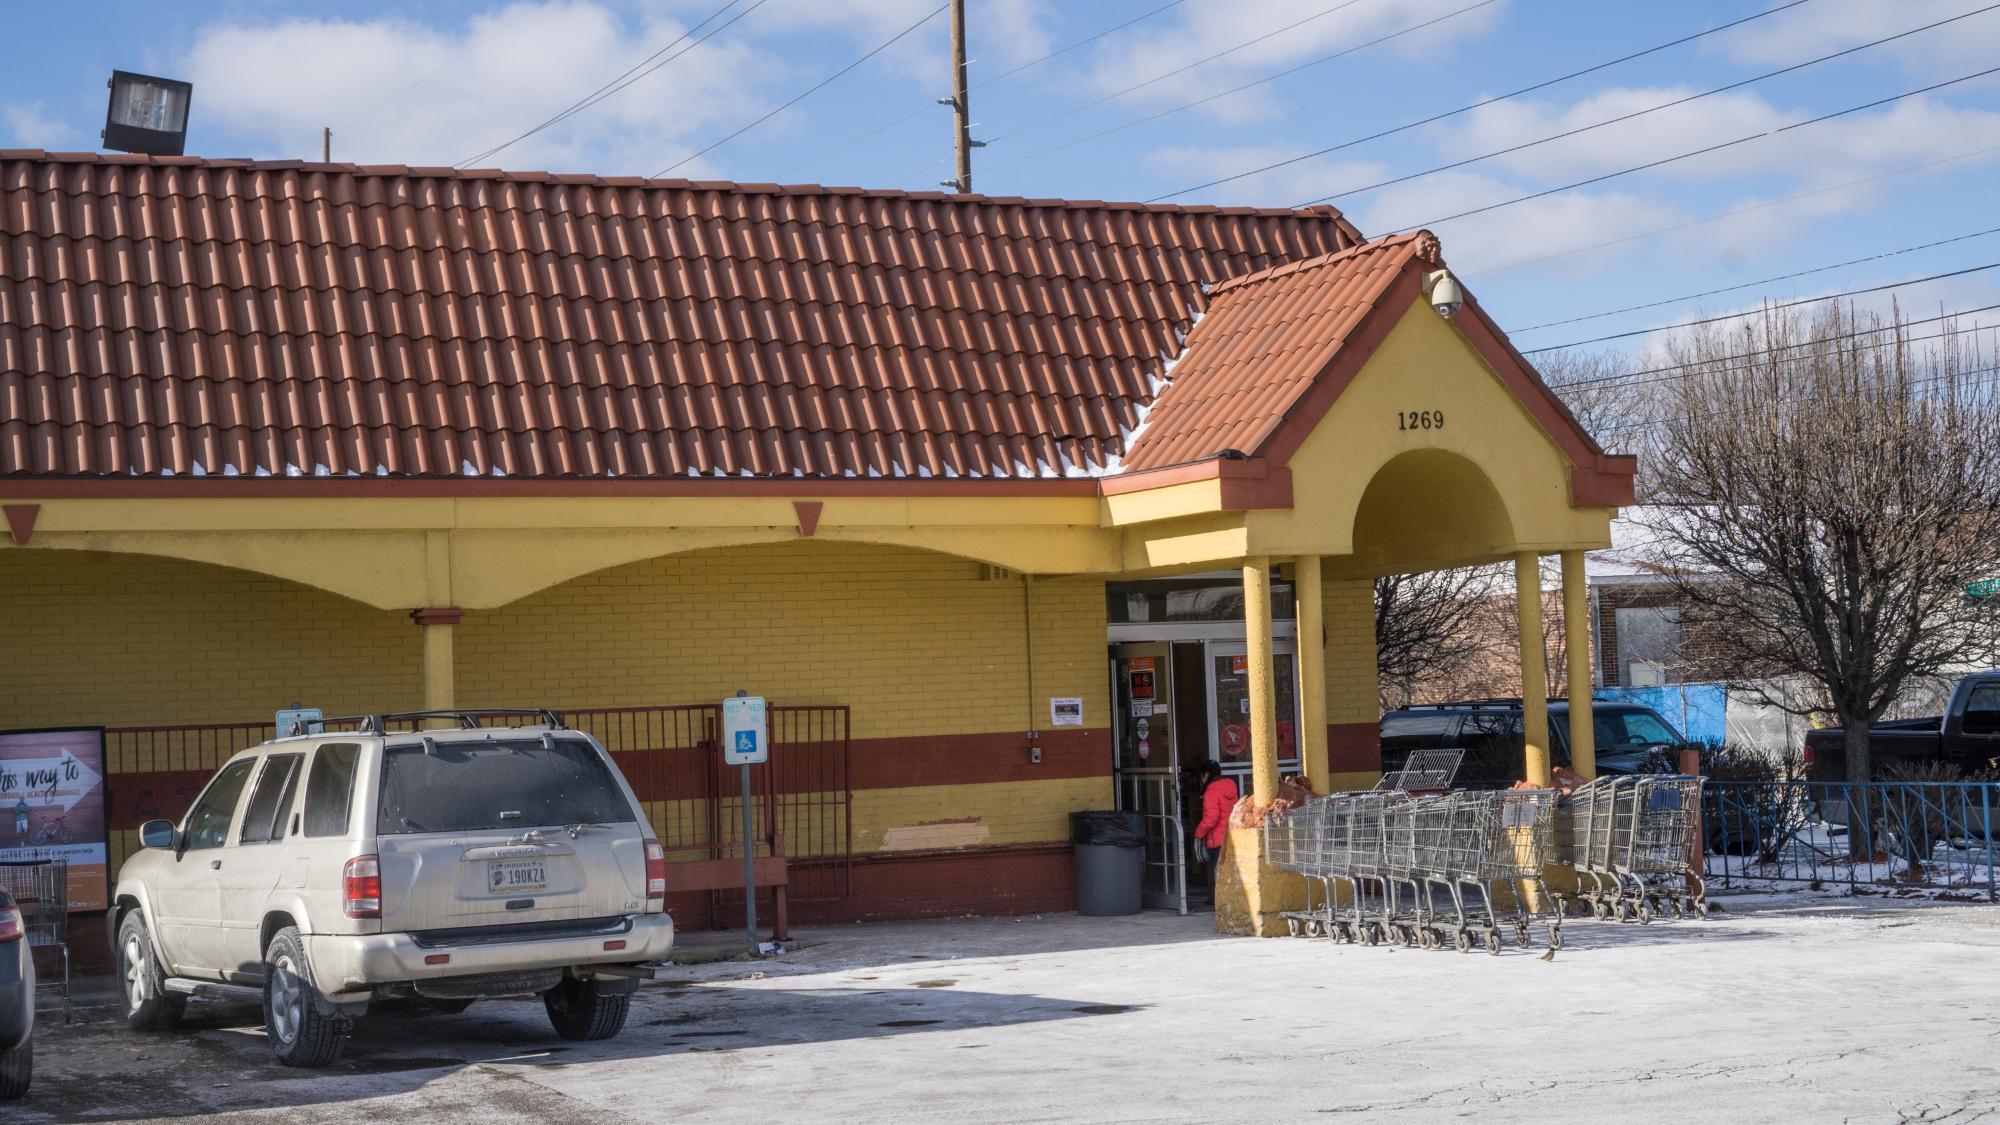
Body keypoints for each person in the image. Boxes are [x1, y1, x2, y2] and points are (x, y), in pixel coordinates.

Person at [1191, 760, 1238, 904]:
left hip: (1216, 839)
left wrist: (1198, 832)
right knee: (1227, 870)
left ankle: (1215, 900)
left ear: (1206, 775)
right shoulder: (1231, 786)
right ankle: (1228, 899)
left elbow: (1211, 818)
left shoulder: (1211, 791)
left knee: (1215, 871)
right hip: (1231, 836)